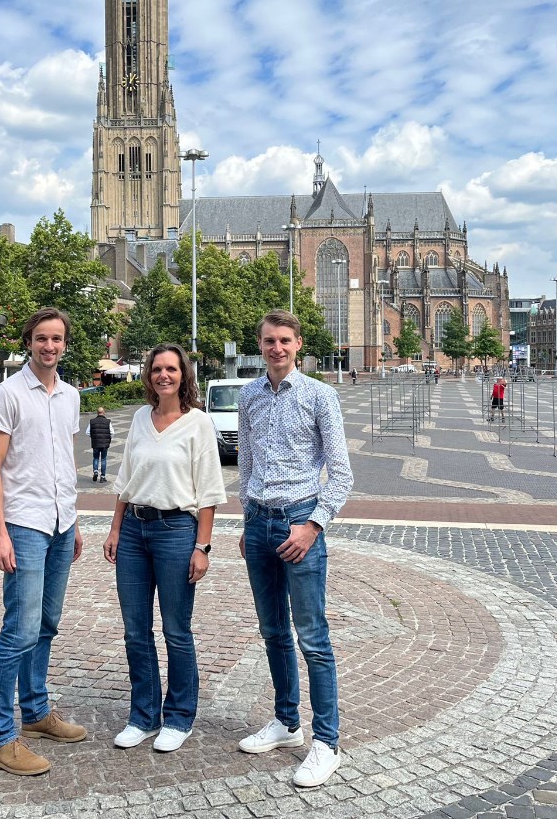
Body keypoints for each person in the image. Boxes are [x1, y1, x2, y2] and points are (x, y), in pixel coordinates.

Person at [236, 309, 354, 789]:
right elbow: (244, 461)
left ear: (298, 344)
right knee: (273, 632)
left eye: (284, 340)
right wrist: (246, 516)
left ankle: (326, 742)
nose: (276, 348)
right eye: (269, 341)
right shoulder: (247, 395)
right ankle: (287, 722)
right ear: (260, 344)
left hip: (298, 523)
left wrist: (312, 527)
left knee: (313, 637)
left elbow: (341, 474)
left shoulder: (320, 395)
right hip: (259, 522)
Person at [102, 344, 226, 754]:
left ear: (182, 375)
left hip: (177, 530)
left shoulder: (198, 424)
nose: (163, 375)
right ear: (148, 375)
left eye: (171, 369)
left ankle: (178, 717)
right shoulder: (140, 418)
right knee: (135, 631)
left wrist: (202, 546)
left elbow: (208, 490)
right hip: (135, 531)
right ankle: (142, 715)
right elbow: (125, 477)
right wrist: (115, 529)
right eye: (157, 369)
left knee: (176, 630)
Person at [0, 307, 86, 777]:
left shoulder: (71, 396)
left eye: (57, 339)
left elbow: (64, 462)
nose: (50, 346)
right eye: (42, 338)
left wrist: (75, 521)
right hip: (24, 524)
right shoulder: (6, 395)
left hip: (62, 523)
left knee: (46, 624)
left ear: (65, 343)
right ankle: (1, 738)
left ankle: (37, 713)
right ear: (29, 342)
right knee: (19, 630)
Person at [86, 406, 114, 483]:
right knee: (103, 459)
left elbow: (87, 432)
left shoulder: (92, 421)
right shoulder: (108, 421)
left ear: (97, 413)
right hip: (105, 444)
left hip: (95, 443)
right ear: (103, 412)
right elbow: (112, 432)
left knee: (95, 458)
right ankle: (102, 476)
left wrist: (93, 436)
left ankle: (95, 471)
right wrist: (108, 439)